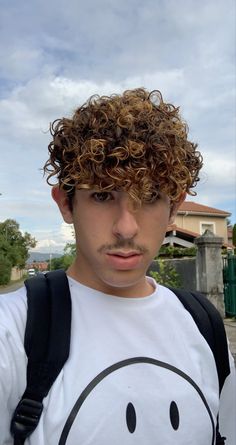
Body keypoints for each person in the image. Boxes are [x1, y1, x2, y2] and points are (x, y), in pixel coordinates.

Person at [0, 88, 235, 444]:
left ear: (174, 208)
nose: (126, 227)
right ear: (66, 203)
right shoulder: (15, 330)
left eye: (151, 197)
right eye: (102, 195)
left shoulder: (203, 325)